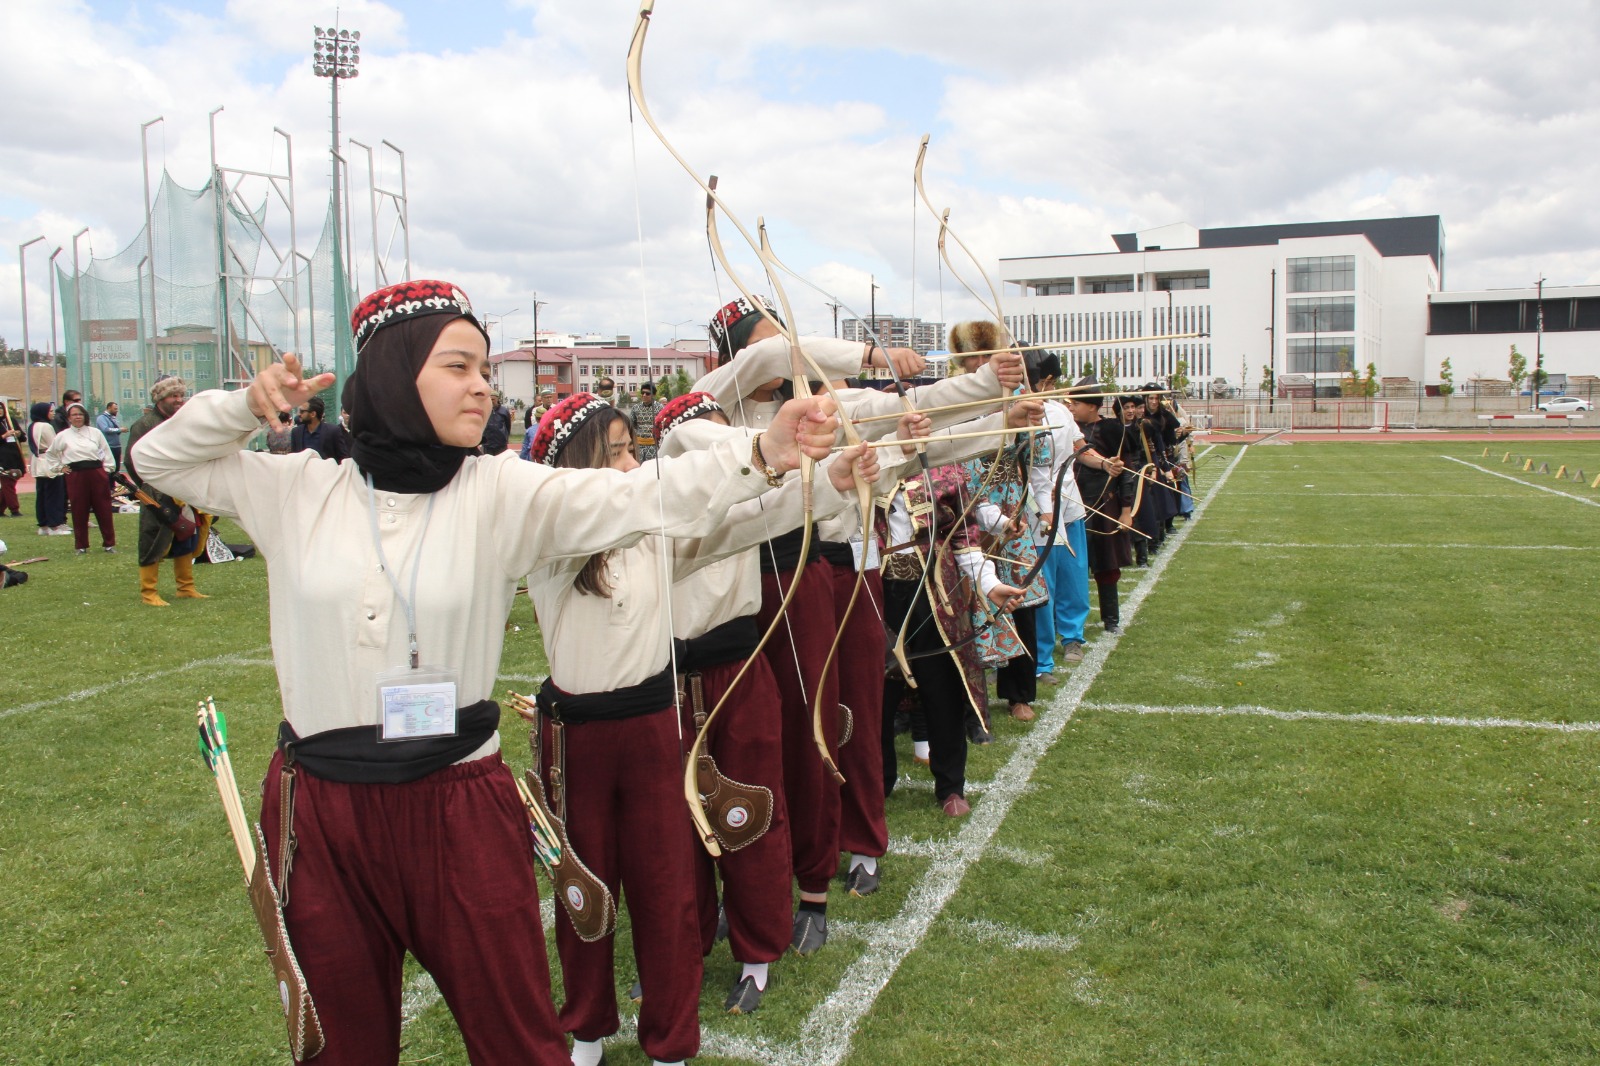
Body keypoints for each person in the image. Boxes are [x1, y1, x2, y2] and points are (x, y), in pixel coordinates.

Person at [131, 278, 843, 1066]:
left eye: (483, 368)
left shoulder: (498, 488)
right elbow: (157, 457)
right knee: (339, 1045)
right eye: (459, 366)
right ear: (398, 373)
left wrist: (761, 451)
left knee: (518, 1042)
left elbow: (637, 497)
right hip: (321, 813)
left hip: (458, 801)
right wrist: (242, 405)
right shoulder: (297, 486)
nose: (482, 386)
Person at [1032, 361, 1095, 676]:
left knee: (1072, 575)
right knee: (1043, 585)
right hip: (1034, 516)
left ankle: (1072, 637)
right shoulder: (1005, 414)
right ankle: (1042, 656)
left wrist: (1105, 464)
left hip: (1068, 506)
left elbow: (1081, 450)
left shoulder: (1061, 412)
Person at [125, 378, 209, 606]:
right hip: (156, 491)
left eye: (181, 395)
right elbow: (131, 460)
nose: (179, 400)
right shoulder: (144, 424)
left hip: (184, 488)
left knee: (187, 535)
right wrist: (148, 485)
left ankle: (186, 587)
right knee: (153, 538)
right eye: (174, 396)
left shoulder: (183, 422)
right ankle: (149, 592)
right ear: (160, 398)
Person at [1068, 378, 1134, 634]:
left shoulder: (1112, 429)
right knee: (1072, 567)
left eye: (1076, 403)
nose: (1071, 408)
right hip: (1072, 505)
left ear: (1093, 407)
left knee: (1106, 564)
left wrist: (1126, 511)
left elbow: (1126, 471)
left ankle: (1111, 619)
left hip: (1105, 506)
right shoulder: (1067, 426)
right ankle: (1070, 625)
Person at [45, 402, 117, 554]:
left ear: (85, 416)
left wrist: (106, 470)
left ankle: (109, 543)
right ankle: (81, 545)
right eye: (74, 415)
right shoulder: (62, 436)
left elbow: (106, 451)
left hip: (96, 473)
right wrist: (60, 468)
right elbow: (51, 454)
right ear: (69, 418)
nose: (77, 417)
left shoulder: (95, 433)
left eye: (80, 414)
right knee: (79, 510)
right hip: (76, 475)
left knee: (103, 508)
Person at [27, 402, 70, 535]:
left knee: (42, 495)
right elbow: (54, 445)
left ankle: (43, 525)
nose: (52, 413)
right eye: (50, 411)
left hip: (38, 462)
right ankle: (55, 525)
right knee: (54, 495)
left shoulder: (32, 425)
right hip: (49, 462)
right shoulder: (46, 426)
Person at [290, 396, 351, 461]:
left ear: (313, 414)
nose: (299, 414)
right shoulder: (296, 432)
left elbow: (343, 458)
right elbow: (294, 458)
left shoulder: (333, 431)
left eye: (302, 411)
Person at [0, 408, 26, 518]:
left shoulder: (11, 421)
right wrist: (4, 436)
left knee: (9, 484)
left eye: (1, 408)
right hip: (2, 458)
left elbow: (23, 438)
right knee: (8, 483)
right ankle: (14, 509)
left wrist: (18, 434)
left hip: (15, 457)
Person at [630, 380, 664, 461]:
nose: (644, 395)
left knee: (652, 469)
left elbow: (663, 426)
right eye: (642, 393)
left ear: (654, 394)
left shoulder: (660, 408)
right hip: (639, 446)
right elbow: (632, 425)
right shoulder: (635, 408)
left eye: (647, 393)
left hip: (654, 446)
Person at [96, 402, 124, 476]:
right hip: (108, 447)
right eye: (115, 409)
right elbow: (105, 429)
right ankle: (109, 486)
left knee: (116, 469)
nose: (116, 410)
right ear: (109, 408)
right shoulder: (101, 418)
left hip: (117, 446)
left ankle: (114, 486)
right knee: (109, 469)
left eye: (117, 409)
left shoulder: (114, 418)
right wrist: (119, 430)